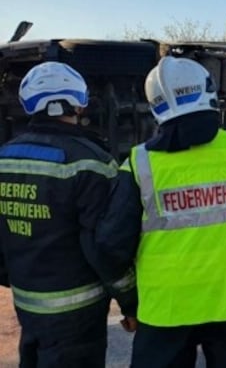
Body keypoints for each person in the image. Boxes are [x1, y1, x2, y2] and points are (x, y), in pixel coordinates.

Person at [93, 56, 226, 368]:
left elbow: (111, 248)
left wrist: (130, 303)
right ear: (209, 94)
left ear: (156, 106)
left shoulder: (139, 164)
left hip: (164, 314)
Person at [0, 61, 136, 367]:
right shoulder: (92, 164)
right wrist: (131, 303)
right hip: (79, 316)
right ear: (79, 103)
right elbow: (106, 247)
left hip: (27, 304)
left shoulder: (4, 159)